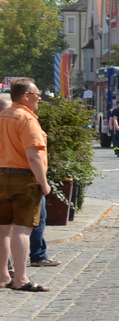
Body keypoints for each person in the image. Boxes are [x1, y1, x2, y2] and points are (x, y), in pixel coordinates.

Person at [0, 79, 50, 293]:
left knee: (3, 230)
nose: (39, 98)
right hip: (23, 179)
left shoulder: (3, 116)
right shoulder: (26, 119)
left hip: (1, 176)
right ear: (25, 95)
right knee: (22, 230)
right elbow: (33, 156)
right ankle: (20, 279)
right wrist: (44, 183)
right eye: (37, 94)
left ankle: (3, 275)